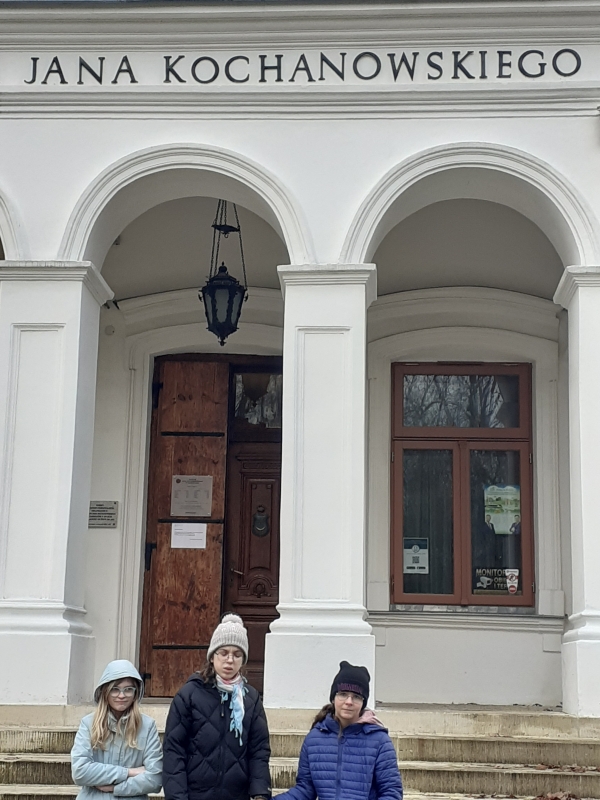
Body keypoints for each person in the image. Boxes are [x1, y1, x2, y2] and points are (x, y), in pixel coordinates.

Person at [163, 613, 270, 800]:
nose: (230, 660)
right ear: (212, 656)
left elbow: (259, 750)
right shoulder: (189, 695)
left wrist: (260, 793)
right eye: (224, 653)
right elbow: (174, 750)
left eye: (237, 654)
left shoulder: (251, 699)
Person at [278, 661, 402, 800]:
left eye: (356, 696)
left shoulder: (379, 741)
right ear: (333, 698)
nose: (349, 701)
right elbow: (305, 789)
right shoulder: (314, 739)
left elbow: (391, 792)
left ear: (363, 703)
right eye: (343, 694)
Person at [71, 659, 162, 800]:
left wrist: (115, 788)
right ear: (105, 692)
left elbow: (155, 779)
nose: (121, 695)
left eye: (128, 689)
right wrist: (129, 772)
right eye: (115, 689)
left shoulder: (147, 726)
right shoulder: (88, 724)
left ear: (136, 693)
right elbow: (80, 772)